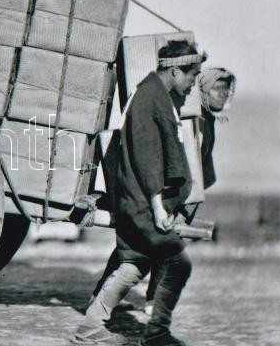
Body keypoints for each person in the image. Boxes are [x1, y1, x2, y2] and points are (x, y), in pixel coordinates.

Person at [71, 40, 205, 346]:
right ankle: (156, 333)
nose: (192, 85)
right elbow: (147, 158)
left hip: (139, 199)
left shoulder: (154, 94)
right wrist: (159, 206)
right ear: (174, 70)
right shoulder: (151, 98)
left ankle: (91, 325)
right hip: (145, 202)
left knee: (135, 262)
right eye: (191, 77)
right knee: (177, 263)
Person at [89, 66, 236, 314]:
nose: (222, 95)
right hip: (170, 193)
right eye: (216, 89)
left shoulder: (208, 120)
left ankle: (143, 298)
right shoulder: (192, 118)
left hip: (187, 196)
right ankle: (105, 298)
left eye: (226, 90)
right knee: (142, 245)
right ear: (203, 90)